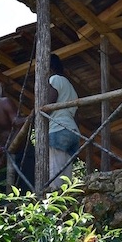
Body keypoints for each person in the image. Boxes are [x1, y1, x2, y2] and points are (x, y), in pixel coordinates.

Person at [46, 54, 79, 190]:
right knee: (66, 174)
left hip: (58, 128)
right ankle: (66, 200)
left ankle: (55, 201)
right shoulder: (71, 87)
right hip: (73, 130)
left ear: (49, 67)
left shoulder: (54, 79)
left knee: (55, 171)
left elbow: (49, 102)